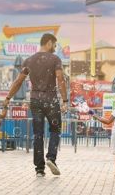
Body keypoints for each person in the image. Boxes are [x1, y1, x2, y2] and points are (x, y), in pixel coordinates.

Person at [5, 33, 68, 177]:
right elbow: (60, 78)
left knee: (38, 134)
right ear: (49, 43)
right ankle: (51, 158)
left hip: (35, 100)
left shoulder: (29, 61)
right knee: (55, 130)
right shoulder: (55, 59)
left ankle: (39, 169)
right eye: (54, 44)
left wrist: (8, 97)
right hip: (51, 100)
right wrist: (64, 100)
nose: (55, 48)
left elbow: (18, 81)